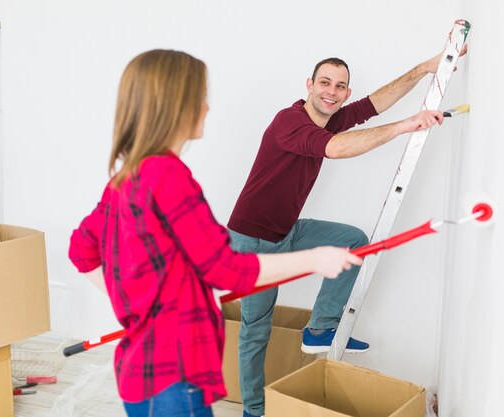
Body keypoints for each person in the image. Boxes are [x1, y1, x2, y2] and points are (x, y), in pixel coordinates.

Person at [68, 49, 362, 417]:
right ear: (177, 106)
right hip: (175, 376)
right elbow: (225, 269)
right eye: (200, 98)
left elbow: (81, 250)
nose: (206, 108)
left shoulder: (129, 176)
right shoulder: (170, 177)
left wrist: (137, 306)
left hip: (140, 374)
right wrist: (316, 259)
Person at [228, 50, 460, 417]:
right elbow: (334, 149)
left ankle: (320, 328)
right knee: (256, 332)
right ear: (309, 85)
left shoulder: (329, 119)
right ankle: (253, 412)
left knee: (353, 240)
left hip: (286, 232)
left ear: (345, 92)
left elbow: (373, 104)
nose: (331, 92)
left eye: (340, 86)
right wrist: (406, 126)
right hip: (252, 242)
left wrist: (423, 69)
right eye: (324, 83)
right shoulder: (289, 121)